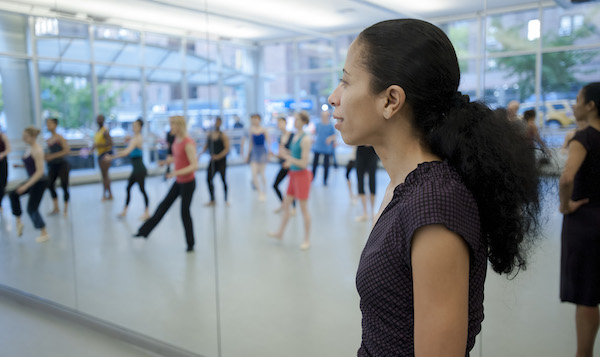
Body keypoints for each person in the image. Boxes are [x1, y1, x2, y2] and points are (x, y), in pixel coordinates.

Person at [328, 19, 540, 356]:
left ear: (390, 100)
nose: (334, 97)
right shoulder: (406, 186)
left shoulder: (436, 205)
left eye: (345, 81)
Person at [559, 82, 600, 357]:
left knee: (588, 295)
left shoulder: (584, 138)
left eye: (577, 99)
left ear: (590, 105)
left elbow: (566, 178)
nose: (573, 105)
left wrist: (565, 206)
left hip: (587, 221)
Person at [135, 116, 198, 252]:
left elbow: (194, 165)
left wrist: (176, 173)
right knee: (162, 206)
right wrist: (167, 162)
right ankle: (143, 231)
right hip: (179, 181)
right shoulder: (176, 140)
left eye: (173, 125)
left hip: (188, 183)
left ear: (179, 126)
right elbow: (179, 157)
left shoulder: (188, 142)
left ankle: (190, 244)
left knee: (184, 213)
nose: (171, 127)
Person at [269, 111, 312, 250]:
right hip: (293, 175)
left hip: (302, 176)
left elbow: (304, 163)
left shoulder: (305, 139)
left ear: (304, 122)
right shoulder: (295, 137)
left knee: (303, 209)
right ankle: (280, 232)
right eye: (295, 119)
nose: (295, 121)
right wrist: (282, 155)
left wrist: (289, 158)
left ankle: (306, 239)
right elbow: (292, 155)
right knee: (286, 205)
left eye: (298, 119)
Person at [104, 119, 150, 220]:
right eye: (133, 125)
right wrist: (128, 140)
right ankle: (124, 211)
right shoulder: (134, 137)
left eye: (136, 126)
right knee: (128, 188)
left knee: (142, 190)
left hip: (139, 169)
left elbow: (126, 152)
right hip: (136, 169)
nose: (134, 127)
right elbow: (128, 145)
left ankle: (147, 212)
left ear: (140, 127)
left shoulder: (137, 138)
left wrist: (111, 157)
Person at [9, 127, 49, 242]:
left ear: (32, 137)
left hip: (39, 181)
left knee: (32, 208)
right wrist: (20, 166)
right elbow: (31, 165)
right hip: (33, 179)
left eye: (25, 136)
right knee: (13, 194)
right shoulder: (29, 148)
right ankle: (18, 222)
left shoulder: (37, 150)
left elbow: (40, 171)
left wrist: (26, 186)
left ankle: (44, 232)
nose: (23, 138)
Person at [45, 118, 71, 216]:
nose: (48, 126)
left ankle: (65, 208)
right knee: (50, 184)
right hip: (52, 165)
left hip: (62, 164)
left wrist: (52, 156)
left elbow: (66, 151)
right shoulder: (48, 139)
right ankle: (56, 207)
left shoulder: (60, 138)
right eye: (47, 124)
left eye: (50, 124)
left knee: (64, 185)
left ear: (55, 125)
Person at [202, 117, 229, 206]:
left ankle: (226, 199)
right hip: (212, 161)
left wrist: (218, 156)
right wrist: (199, 155)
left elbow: (226, 149)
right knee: (208, 179)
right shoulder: (210, 135)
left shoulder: (223, 135)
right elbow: (206, 146)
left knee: (223, 180)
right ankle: (212, 199)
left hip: (221, 161)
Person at [272, 116, 296, 213]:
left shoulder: (292, 136)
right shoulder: (280, 137)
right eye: (278, 123)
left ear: (285, 123)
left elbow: (295, 152)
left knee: (291, 187)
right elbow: (280, 154)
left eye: (281, 123)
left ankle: (294, 207)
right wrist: (274, 155)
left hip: (291, 165)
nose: (279, 125)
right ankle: (284, 205)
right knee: (275, 185)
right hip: (283, 165)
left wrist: (285, 152)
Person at [247, 114, 270, 201]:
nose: (254, 121)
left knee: (262, 174)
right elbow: (250, 143)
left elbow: (268, 142)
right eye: (253, 119)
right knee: (254, 174)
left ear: (259, 119)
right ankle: (259, 192)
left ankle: (264, 191)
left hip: (263, 152)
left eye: (256, 119)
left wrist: (269, 153)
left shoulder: (264, 130)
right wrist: (248, 155)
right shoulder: (251, 130)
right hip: (254, 152)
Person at [91, 114, 113, 201]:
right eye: (97, 119)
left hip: (105, 154)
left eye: (100, 119)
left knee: (105, 175)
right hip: (100, 154)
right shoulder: (98, 131)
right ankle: (109, 194)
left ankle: (105, 194)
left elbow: (110, 143)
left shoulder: (105, 131)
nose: (98, 121)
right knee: (105, 175)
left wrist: (98, 145)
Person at [354, 145, 379, 222]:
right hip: (360, 152)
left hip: (372, 152)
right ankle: (365, 213)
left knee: (372, 181)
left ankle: (372, 211)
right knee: (360, 181)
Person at [312, 110, 336, 186]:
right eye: (323, 116)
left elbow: (334, 136)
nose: (324, 117)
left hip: (326, 148)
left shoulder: (330, 126)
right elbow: (314, 133)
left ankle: (325, 181)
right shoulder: (318, 124)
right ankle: (312, 179)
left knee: (326, 165)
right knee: (314, 164)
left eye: (325, 116)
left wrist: (330, 138)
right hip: (318, 146)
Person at [0, 128, 10, 213]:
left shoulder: (3, 136)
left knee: (2, 183)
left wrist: (2, 155)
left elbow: (8, 149)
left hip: (2, 163)